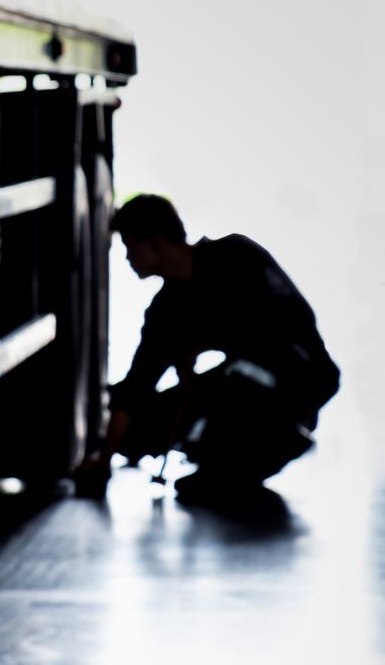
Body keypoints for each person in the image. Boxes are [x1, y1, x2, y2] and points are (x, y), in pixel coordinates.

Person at [77, 194, 339, 505]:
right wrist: (104, 460)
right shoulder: (165, 311)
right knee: (140, 429)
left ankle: (273, 442)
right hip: (236, 381)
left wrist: (204, 344)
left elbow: (294, 319)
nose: (128, 258)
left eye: (130, 246)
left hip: (299, 376)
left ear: (156, 242)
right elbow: (137, 386)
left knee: (236, 384)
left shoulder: (237, 256)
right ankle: (221, 459)